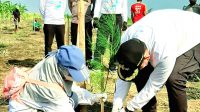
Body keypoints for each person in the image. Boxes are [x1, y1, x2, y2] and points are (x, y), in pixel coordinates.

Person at [112, 9, 200, 112]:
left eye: (141, 64)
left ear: (147, 56)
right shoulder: (126, 42)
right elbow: (124, 77)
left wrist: (130, 107)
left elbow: (154, 84)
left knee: (174, 77)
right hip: (169, 28)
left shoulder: (163, 51)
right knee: (140, 74)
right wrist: (116, 106)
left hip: (194, 34)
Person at [7, 45, 107, 112]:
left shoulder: (55, 59)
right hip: (22, 106)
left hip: (39, 96)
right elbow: (65, 108)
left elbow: (73, 90)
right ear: (63, 69)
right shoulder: (52, 91)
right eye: (73, 74)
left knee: (74, 98)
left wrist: (93, 97)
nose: (75, 78)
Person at [92, 0, 128, 71]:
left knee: (115, 43)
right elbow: (98, 3)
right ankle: (97, 63)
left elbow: (124, 7)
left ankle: (113, 64)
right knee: (101, 41)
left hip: (117, 17)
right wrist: (96, 17)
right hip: (105, 16)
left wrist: (125, 21)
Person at [68, 0, 95, 66]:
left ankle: (88, 60)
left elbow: (94, 3)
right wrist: (75, 14)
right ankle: (75, 60)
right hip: (75, 21)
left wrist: (91, 14)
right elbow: (69, 5)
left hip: (87, 20)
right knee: (74, 40)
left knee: (88, 41)